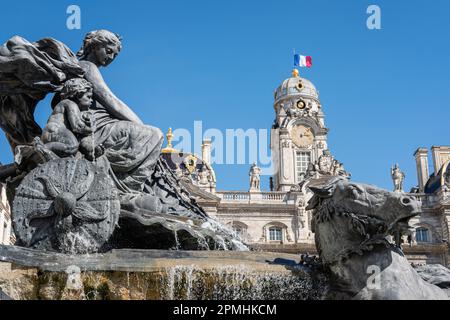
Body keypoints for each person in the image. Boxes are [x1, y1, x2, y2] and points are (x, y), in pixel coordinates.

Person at [71, 30, 164, 195]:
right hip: (97, 128)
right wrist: (141, 126)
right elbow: (111, 101)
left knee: (151, 137)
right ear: (95, 46)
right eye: (108, 51)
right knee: (155, 135)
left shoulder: (88, 67)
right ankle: (129, 188)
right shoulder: (86, 66)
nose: (111, 58)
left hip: (100, 124)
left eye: (114, 55)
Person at [41, 78, 99, 159]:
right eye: (88, 97)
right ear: (79, 95)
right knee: (73, 146)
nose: (91, 100)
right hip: (55, 130)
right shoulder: (70, 103)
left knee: (72, 151)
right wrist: (92, 128)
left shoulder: (67, 104)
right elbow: (77, 127)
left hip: (50, 132)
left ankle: (46, 152)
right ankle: (43, 148)